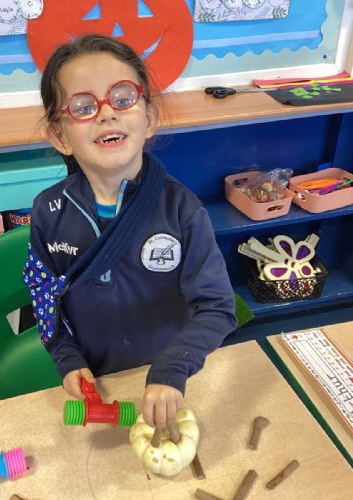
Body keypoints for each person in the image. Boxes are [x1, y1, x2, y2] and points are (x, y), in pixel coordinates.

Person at [24, 34, 237, 429]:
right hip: (100, 384)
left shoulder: (182, 210)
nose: (107, 114)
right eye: (83, 107)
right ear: (60, 136)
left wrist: (174, 367)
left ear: (149, 118)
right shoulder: (48, 212)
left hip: (173, 381)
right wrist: (67, 358)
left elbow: (218, 308)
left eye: (122, 98)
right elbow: (42, 295)